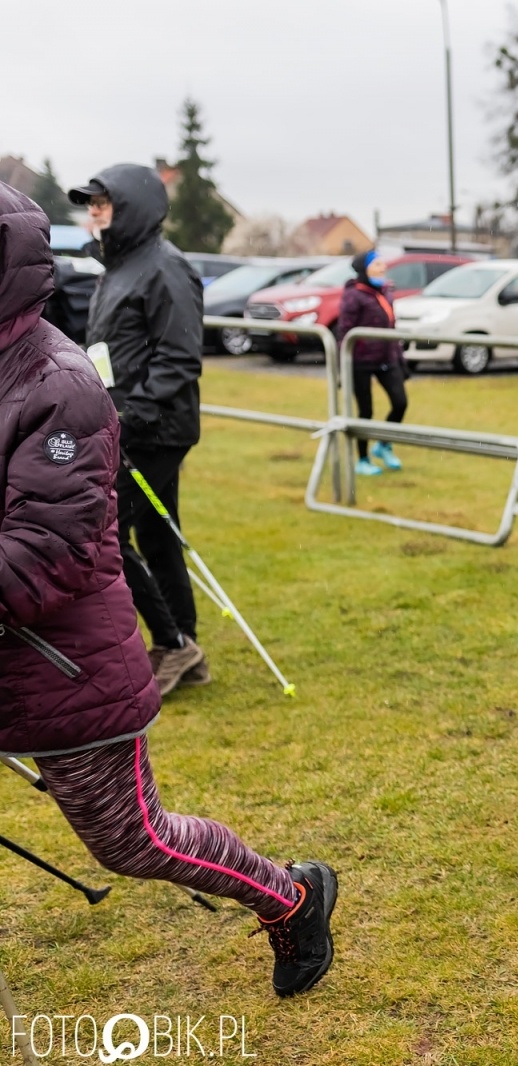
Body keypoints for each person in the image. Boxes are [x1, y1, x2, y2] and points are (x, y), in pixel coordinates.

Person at [0, 181, 337, 998]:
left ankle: (291, 897)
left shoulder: (56, 383)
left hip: (59, 662)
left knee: (131, 838)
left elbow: (48, 555)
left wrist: (147, 414)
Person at [70, 165, 207, 696]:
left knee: (106, 532)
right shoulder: (117, 265)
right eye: (91, 205)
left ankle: (172, 643)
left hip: (153, 428)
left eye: (102, 203)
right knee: (156, 533)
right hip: (124, 421)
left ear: (131, 207)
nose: (93, 213)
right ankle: (185, 644)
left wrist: (134, 416)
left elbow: (178, 358)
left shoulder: (165, 269)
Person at [335, 250, 408, 476]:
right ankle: (363, 459)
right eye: (377, 265)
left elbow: (390, 327)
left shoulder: (386, 291)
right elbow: (344, 331)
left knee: (400, 403)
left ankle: (383, 444)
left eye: (382, 264)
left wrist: (399, 358)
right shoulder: (354, 295)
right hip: (360, 361)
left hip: (387, 358)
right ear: (364, 269)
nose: (382, 268)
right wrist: (342, 366)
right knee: (365, 411)